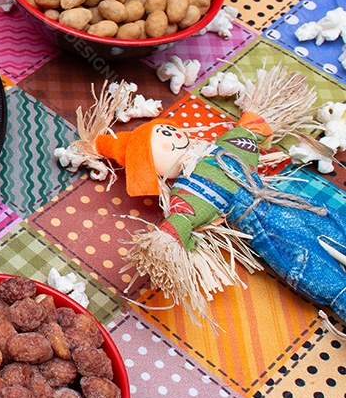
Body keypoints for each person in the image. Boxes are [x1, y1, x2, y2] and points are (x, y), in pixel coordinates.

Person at [95, 111, 346, 324]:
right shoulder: (187, 191)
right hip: (267, 231)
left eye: (169, 131)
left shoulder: (219, 149)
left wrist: (251, 122)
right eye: (162, 140)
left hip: (294, 205)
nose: (173, 138)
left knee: (334, 225)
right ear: (151, 167)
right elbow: (180, 221)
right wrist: (166, 242)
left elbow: (252, 131)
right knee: (317, 271)